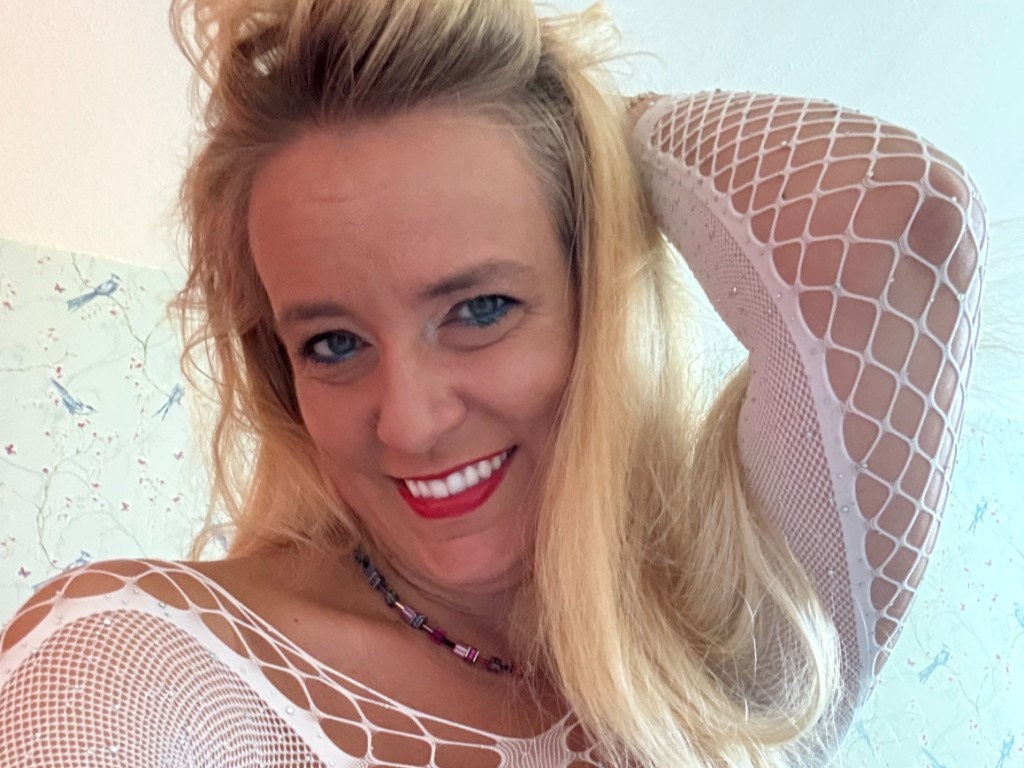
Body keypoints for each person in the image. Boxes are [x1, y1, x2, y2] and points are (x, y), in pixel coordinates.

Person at [0, 0, 986, 765]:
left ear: (594, 306)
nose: (410, 422)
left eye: (478, 310)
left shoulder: (729, 636)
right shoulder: (144, 666)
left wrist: (594, 138)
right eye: (334, 343)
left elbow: (904, 219)